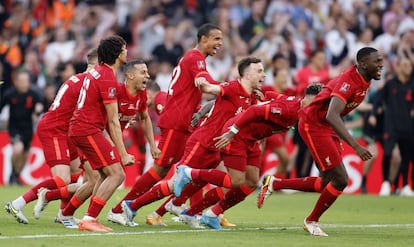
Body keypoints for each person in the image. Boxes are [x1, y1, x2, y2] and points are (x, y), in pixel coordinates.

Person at [120, 57, 264, 227]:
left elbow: (215, 104)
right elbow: (212, 90)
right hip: (201, 142)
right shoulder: (233, 87)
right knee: (177, 183)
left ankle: (185, 212)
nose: (264, 75)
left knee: (198, 182)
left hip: (217, 146)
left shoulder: (252, 97)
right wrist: (203, 83)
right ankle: (132, 205)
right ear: (247, 75)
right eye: (259, 71)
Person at [258, 47, 383, 237]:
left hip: (326, 126)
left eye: (381, 61)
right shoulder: (348, 82)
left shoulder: (365, 79)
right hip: (314, 124)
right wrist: (355, 146)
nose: (381, 65)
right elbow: (332, 115)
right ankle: (311, 221)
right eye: (377, 61)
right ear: (364, 64)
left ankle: (274, 184)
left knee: (326, 183)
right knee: (341, 179)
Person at [107, 23, 223, 219]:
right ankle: (120, 209)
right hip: (176, 122)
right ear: (204, 39)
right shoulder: (195, 57)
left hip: (185, 123)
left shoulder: (196, 59)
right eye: (216, 39)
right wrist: (235, 88)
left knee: (194, 167)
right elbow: (206, 82)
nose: (220, 43)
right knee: (160, 170)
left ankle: (191, 211)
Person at [177, 84, 323, 230]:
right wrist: (232, 132)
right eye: (320, 102)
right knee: (236, 181)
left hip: (251, 138)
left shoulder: (295, 104)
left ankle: (211, 214)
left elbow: (273, 95)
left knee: (251, 182)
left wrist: (263, 98)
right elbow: (254, 110)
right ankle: (189, 173)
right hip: (237, 135)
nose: (320, 107)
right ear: (312, 99)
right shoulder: (290, 109)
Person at [4, 48, 98, 224]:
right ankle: (18, 203)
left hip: (66, 130)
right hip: (55, 128)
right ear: (99, 64)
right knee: (62, 179)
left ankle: (63, 214)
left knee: (77, 171)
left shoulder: (76, 78)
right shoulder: (88, 82)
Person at [68, 35, 135, 232]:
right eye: (124, 49)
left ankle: (75, 215)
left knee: (104, 174)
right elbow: (113, 121)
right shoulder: (107, 77)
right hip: (87, 129)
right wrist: (122, 153)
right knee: (117, 174)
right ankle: (89, 218)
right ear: (116, 53)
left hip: (82, 128)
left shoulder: (97, 72)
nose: (127, 52)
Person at [372, 56, 414, 196]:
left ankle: (406, 185)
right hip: (391, 125)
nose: (409, 67)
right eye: (406, 65)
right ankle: (385, 183)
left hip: (407, 126)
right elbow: (378, 99)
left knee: (406, 156)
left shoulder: (412, 84)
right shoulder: (390, 84)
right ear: (399, 67)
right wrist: (372, 114)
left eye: (410, 65)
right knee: (388, 154)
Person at [0, 69, 43, 185]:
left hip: (28, 128)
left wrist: (38, 110)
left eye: (26, 81)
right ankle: (13, 174)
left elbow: (40, 105)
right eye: (22, 81)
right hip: (14, 127)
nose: (24, 83)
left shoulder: (33, 94)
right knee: (17, 148)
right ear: (16, 82)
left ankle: (16, 175)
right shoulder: (10, 94)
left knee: (25, 154)